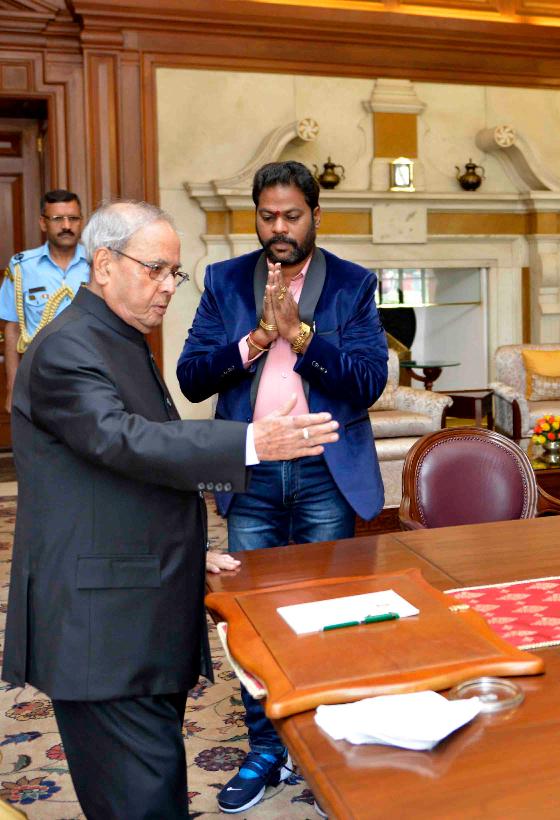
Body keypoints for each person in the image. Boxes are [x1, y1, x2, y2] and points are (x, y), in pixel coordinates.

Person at [1, 201, 338, 819]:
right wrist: (250, 442)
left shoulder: (116, 337)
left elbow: (119, 478)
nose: (167, 286)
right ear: (105, 264)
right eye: (154, 269)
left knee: (151, 790)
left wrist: (187, 545)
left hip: (131, 608)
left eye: (174, 273)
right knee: (143, 801)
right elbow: (123, 439)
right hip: (102, 630)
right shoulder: (67, 348)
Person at [176, 160, 388, 813]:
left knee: (329, 617)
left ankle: (321, 748)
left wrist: (300, 335)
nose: (279, 228)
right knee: (253, 618)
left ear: (315, 215)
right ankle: (266, 749)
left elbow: (367, 382)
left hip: (326, 470)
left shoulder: (351, 284)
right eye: (267, 216)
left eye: (292, 216)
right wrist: (258, 339)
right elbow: (192, 377)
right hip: (252, 473)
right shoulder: (224, 281)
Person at [1, 189, 90, 412]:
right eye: (58, 219)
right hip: (39, 376)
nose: (66, 225)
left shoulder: (98, 264)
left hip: (90, 375)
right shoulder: (22, 267)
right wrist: (12, 387)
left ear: (81, 221)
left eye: (73, 218)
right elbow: (12, 328)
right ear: (43, 223)